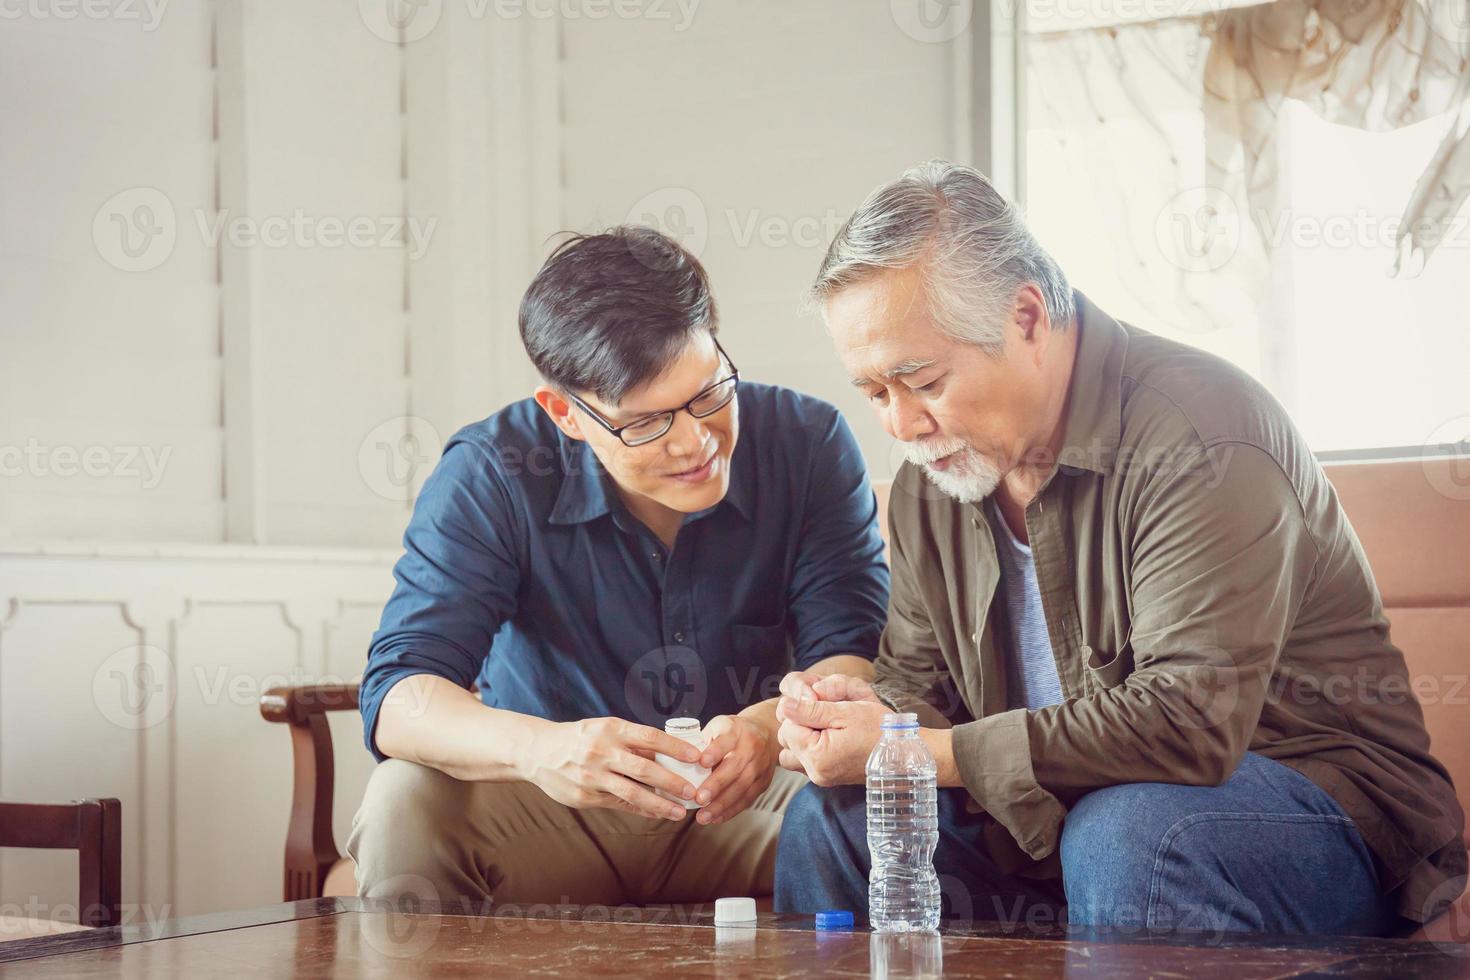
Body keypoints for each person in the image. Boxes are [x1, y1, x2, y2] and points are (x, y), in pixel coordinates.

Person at [771, 161, 1466, 937]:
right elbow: (916, 687)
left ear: (1027, 319)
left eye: (922, 381)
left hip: (1302, 809)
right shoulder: (932, 484)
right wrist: (859, 723)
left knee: (1133, 833)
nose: (898, 425)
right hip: (1062, 821)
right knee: (833, 818)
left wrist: (928, 755)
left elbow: (1187, 722)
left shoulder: (1203, 433)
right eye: (874, 393)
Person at [349, 226, 889, 908]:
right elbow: (400, 694)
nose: (696, 443)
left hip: (750, 801)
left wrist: (763, 727)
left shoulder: (807, 442)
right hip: (550, 805)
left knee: (884, 801)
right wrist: (541, 751)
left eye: (709, 393)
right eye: (644, 424)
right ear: (566, 415)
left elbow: (855, 654)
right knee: (403, 800)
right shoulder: (494, 471)